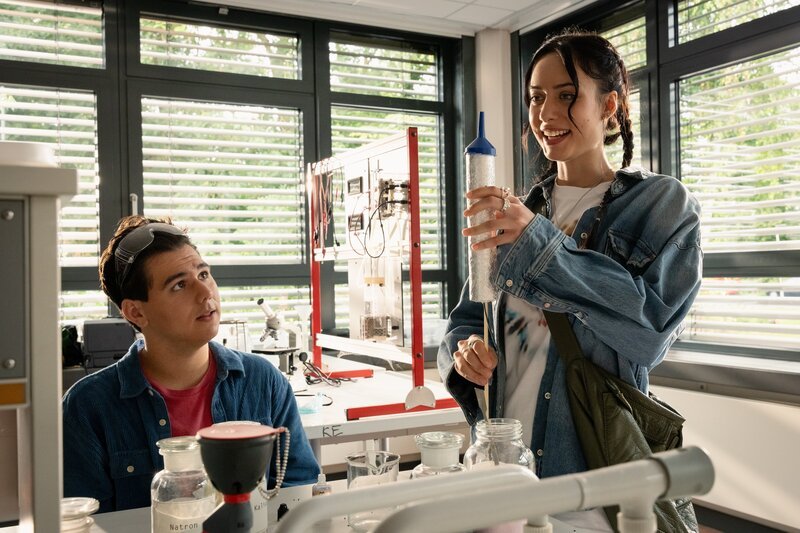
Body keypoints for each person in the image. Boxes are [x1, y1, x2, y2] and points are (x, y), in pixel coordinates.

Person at [438, 29, 701, 529]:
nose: (545, 114)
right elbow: (465, 320)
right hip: (502, 469)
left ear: (610, 105)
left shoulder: (661, 204)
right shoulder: (517, 210)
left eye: (566, 95)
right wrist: (463, 350)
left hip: (590, 479)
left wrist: (539, 243)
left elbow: (648, 329)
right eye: (536, 98)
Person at [62, 216, 320, 512]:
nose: (205, 293)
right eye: (179, 285)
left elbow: (299, 493)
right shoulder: (87, 408)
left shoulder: (262, 381)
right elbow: (85, 523)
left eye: (203, 275)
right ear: (135, 311)